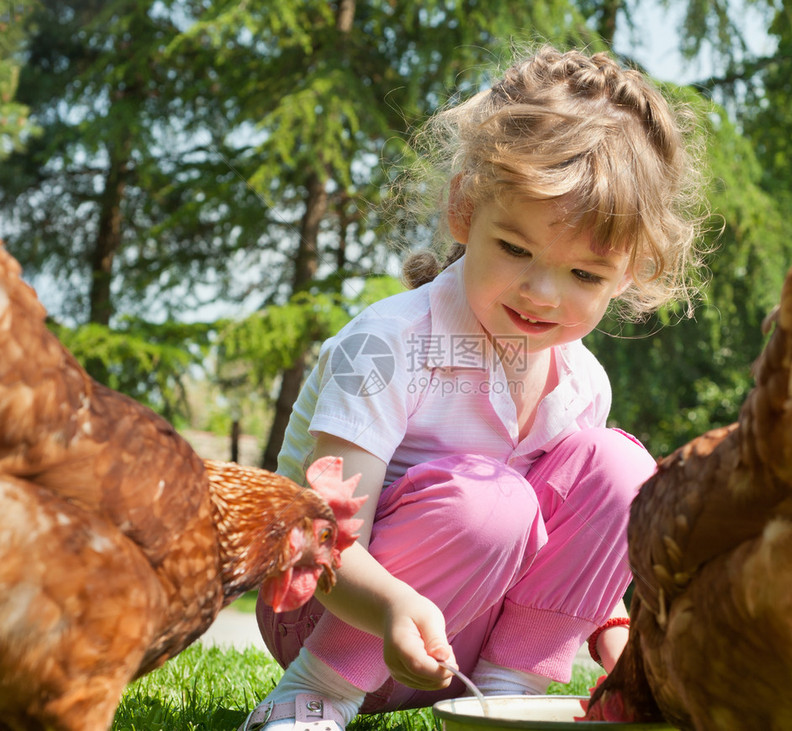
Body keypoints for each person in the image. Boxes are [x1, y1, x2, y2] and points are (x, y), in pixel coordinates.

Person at [239, 44, 705, 731]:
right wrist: (393, 606)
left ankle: (504, 698)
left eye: (585, 275)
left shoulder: (581, 385)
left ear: (630, 271)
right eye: (515, 249)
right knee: (497, 501)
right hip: (339, 611)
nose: (543, 293)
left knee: (623, 468)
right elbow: (320, 542)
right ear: (464, 207)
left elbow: (576, 553)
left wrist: (628, 652)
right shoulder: (388, 345)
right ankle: (310, 697)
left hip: (466, 639)